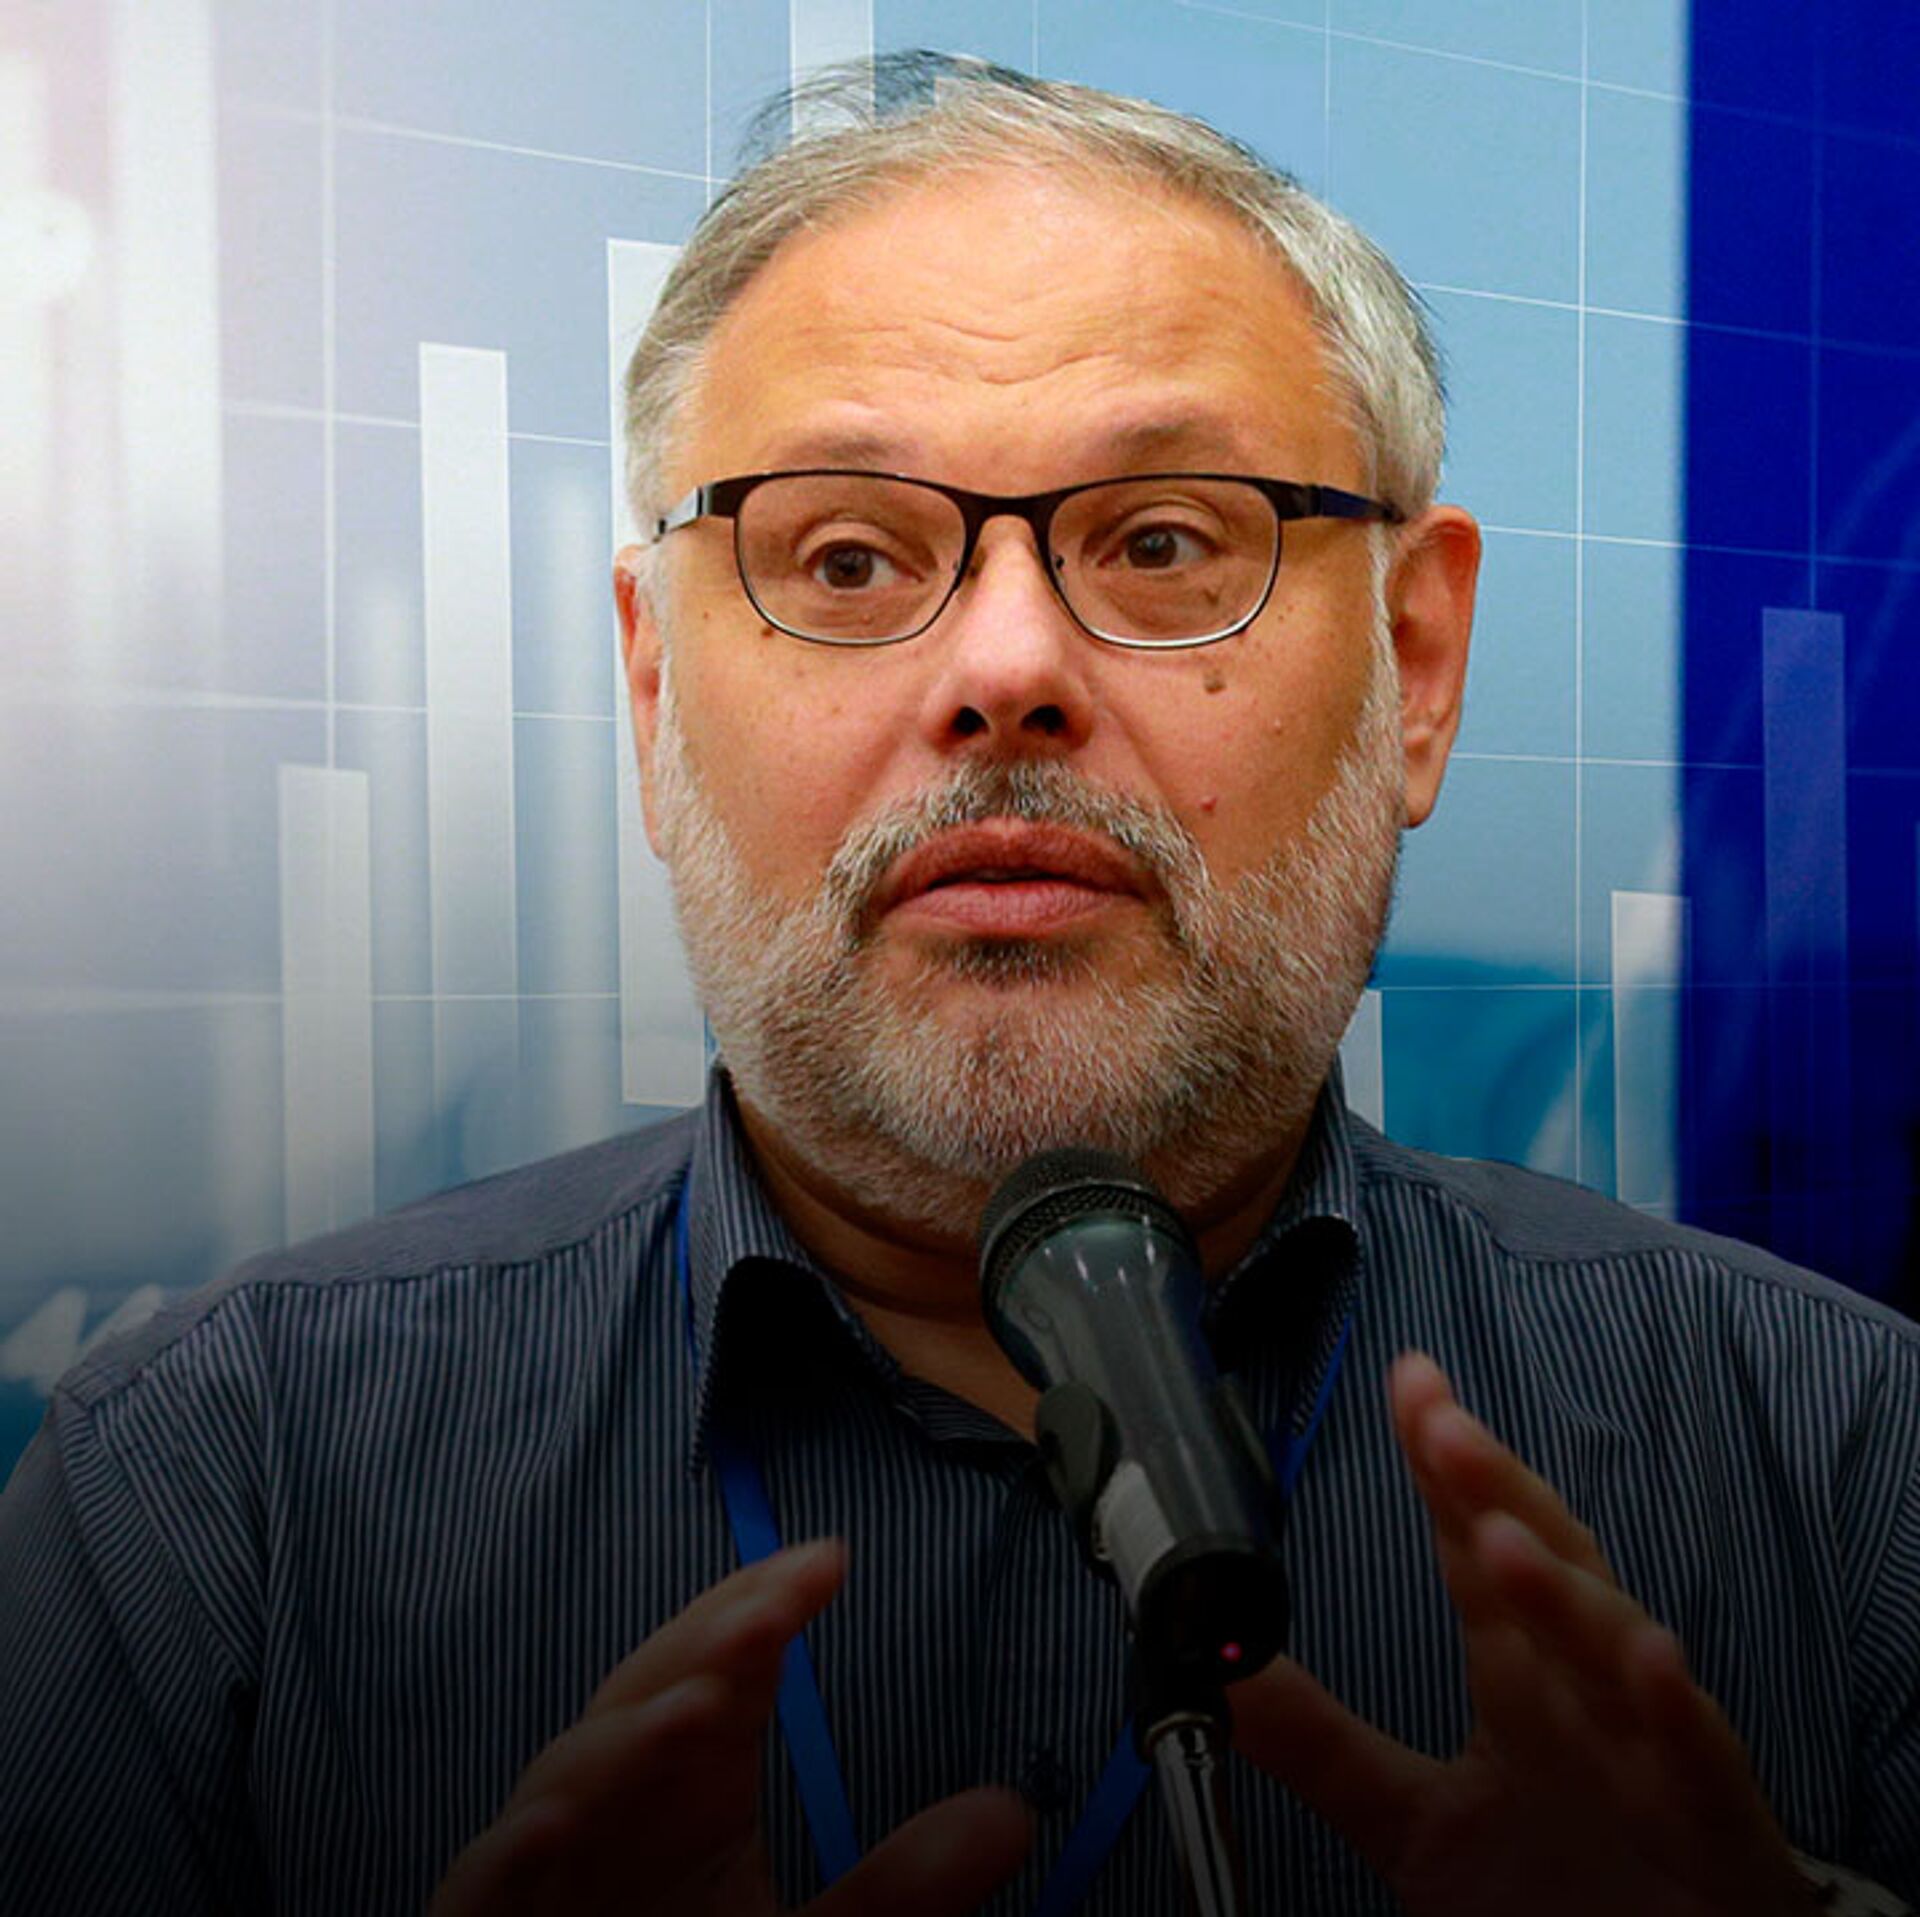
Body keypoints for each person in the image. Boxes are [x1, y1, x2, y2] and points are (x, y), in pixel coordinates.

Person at [3, 53, 1917, 1917]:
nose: (1007, 668)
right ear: (655, 691)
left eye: (1164, 542)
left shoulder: (1845, 1463)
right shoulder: (206, 1499)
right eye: (847, 557)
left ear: (1415, 666)